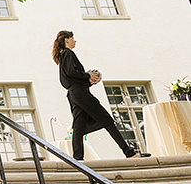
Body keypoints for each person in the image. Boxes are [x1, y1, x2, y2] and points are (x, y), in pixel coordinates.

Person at [52, 31, 149, 160]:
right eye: (73, 38)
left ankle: (78, 158)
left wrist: (88, 80)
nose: (75, 41)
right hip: (80, 93)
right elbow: (72, 73)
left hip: (75, 93)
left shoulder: (63, 55)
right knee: (107, 119)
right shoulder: (68, 53)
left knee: (79, 127)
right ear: (67, 40)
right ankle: (129, 153)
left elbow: (70, 76)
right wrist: (88, 76)